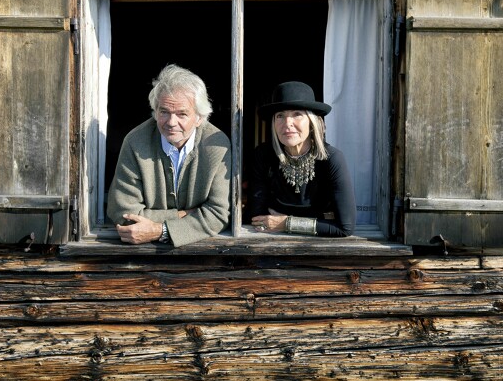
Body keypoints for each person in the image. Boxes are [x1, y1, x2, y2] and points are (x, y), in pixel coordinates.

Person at [107, 64, 231, 247]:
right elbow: (123, 212)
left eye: (182, 114)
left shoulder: (217, 145)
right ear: (155, 111)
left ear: (199, 117)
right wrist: (182, 215)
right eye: (164, 112)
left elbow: (220, 214)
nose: (171, 122)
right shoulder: (135, 142)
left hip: (202, 253)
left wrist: (160, 230)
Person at [249, 81, 356, 237]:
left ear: (312, 122)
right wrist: (321, 220)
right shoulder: (263, 156)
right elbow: (257, 218)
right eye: (280, 116)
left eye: (297, 114)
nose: (287, 123)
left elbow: (345, 227)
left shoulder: (332, 159)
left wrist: (286, 223)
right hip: (269, 241)